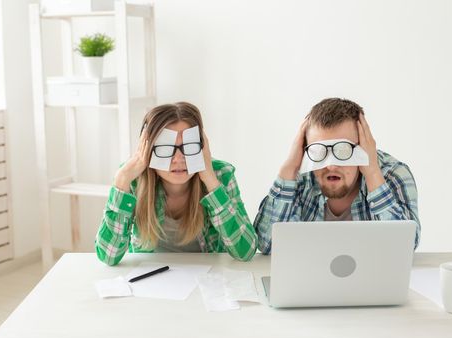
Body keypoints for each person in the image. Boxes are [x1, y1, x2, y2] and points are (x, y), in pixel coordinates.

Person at [96, 102, 257, 265]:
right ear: (147, 149)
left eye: (189, 146)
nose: (179, 159)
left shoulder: (221, 175)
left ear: (202, 146)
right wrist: (121, 179)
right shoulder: (133, 179)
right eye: (165, 148)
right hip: (150, 278)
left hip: (208, 279)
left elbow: (246, 251)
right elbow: (108, 256)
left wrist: (211, 182)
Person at [254, 98, 420, 254]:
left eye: (343, 151)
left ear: (364, 146)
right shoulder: (300, 179)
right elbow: (265, 244)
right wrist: (289, 168)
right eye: (319, 151)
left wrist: (373, 173)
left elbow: (404, 248)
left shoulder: (393, 175)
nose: (331, 165)